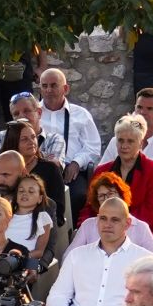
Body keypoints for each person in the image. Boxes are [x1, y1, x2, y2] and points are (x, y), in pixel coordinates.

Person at [48, 199, 150, 306]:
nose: (107, 224)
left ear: (128, 223)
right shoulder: (78, 255)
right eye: (103, 218)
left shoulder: (143, 260)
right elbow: (57, 296)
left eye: (115, 220)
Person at [85, 116, 153, 255]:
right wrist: (88, 230)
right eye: (120, 140)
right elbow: (89, 208)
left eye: (130, 141)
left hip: (142, 234)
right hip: (103, 232)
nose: (124, 146)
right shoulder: (102, 171)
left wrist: (119, 228)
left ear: (141, 144)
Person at [37, 68, 104, 218]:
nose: (48, 90)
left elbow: (93, 147)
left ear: (65, 89)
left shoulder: (81, 114)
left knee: (79, 196)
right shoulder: (34, 113)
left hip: (70, 171)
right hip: (38, 169)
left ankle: (71, 234)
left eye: (54, 85)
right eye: (44, 86)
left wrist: (76, 163)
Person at [65, 171, 153, 256]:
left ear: (121, 195)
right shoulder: (88, 226)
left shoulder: (141, 227)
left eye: (111, 193)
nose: (106, 199)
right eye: (102, 196)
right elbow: (68, 256)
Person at [0, 118, 69, 223]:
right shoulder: (0, 166)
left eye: (33, 137)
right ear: (13, 143)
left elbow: (58, 211)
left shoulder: (50, 169)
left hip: (39, 225)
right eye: (24, 139)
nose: (32, 142)